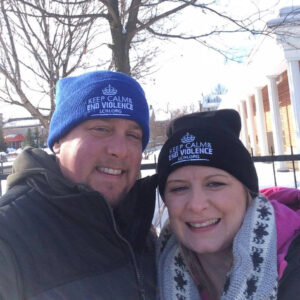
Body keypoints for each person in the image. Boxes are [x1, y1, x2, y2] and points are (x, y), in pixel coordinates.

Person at [0, 70, 158, 299]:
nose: (119, 149)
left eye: (133, 135)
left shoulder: (142, 231)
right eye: (101, 129)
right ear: (58, 141)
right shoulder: (9, 237)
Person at [156, 109, 300, 300]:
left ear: (247, 192)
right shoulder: (151, 275)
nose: (197, 205)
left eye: (215, 184)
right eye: (179, 188)